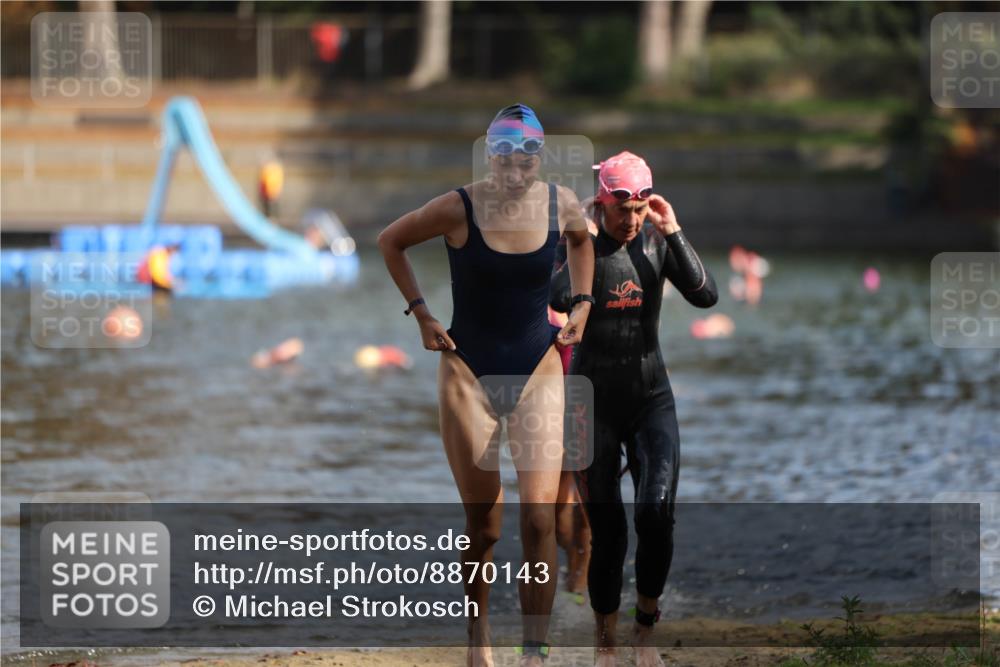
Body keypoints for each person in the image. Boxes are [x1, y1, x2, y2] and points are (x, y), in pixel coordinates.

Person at [378, 104, 595, 667]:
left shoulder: (560, 204)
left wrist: (585, 303)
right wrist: (422, 314)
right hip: (467, 370)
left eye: (525, 158)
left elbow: (582, 242)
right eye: (503, 157)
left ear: (538, 158)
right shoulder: (459, 207)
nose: (514, 169)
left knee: (541, 516)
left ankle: (534, 652)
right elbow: (390, 241)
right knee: (485, 523)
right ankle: (478, 637)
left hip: (538, 368)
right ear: (489, 156)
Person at [550, 151, 718, 667]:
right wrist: (574, 238)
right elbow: (557, 293)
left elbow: (706, 296)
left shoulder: (655, 240)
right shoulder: (581, 246)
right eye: (622, 208)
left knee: (655, 513)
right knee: (609, 531)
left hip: (651, 398)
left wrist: (673, 231)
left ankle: (644, 631)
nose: (632, 219)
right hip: (590, 402)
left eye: (641, 208)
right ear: (602, 203)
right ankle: (606, 645)